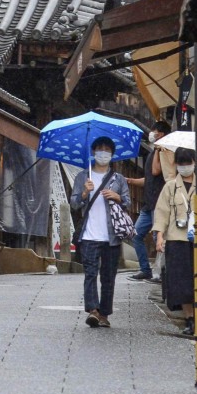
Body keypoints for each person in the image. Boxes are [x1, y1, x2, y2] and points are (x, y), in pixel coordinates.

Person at [152, 147, 197, 335]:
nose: (184, 167)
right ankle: (189, 319)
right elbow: (162, 213)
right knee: (181, 281)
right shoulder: (170, 186)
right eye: (181, 164)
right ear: (176, 165)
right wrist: (159, 236)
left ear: (194, 163)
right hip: (176, 238)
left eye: (187, 163)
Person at [68, 136, 131, 328]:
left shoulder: (118, 179)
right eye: (99, 149)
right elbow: (74, 203)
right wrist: (85, 193)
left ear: (112, 155)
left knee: (108, 276)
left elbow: (128, 202)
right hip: (89, 234)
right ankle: (93, 310)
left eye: (107, 150)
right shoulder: (82, 177)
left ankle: (104, 314)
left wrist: (117, 196)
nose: (103, 153)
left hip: (111, 236)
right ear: (94, 152)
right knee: (90, 273)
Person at [125, 120, 176, 281]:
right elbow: (148, 179)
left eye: (155, 131)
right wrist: (132, 181)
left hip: (160, 202)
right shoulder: (156, 151)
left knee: (158, 238)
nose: (152, 134)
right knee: (136, 235)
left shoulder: (166, 151)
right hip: (148, 203)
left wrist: (157, 149)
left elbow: (155, 171)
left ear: (161, 134)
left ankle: (163, 272)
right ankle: (145, 269)